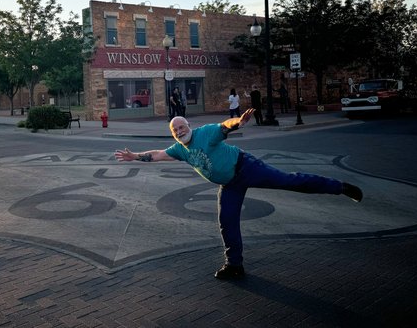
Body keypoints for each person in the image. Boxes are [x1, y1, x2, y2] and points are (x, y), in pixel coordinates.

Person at [114, 109, 363, 281]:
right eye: (174, 129)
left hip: (247, 168)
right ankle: (234, 266)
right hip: (230, 184)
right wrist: (134, 156)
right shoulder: (179, 149)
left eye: (181, 126)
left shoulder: (205, 133)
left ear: (189, 126)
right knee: (227, 221)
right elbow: (157, 154)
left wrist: (238, 122)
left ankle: (340, 187)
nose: (179, 131)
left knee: (290, 181)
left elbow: (225, 126)